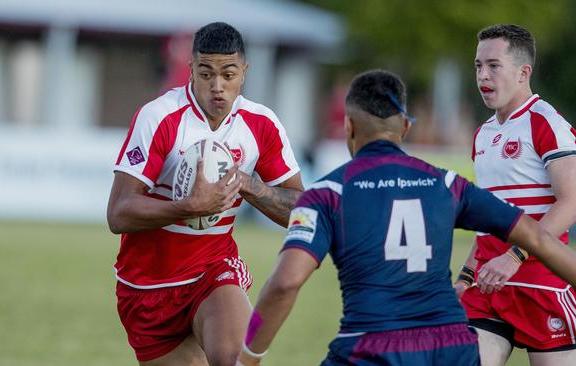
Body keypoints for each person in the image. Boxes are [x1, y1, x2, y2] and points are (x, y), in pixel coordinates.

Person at [236, 70, 576, 366]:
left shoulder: (326, 193)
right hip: (450, 350)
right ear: (406, 127)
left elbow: (285, 283)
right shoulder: (447, 184)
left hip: (367, 348)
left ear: (349, 126)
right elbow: (538, 239)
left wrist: (249, 355)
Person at [106, 22, 304, 366]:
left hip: (212, 270)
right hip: (148, 288)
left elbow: (303, 212)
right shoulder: (159, 118)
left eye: (228, 74)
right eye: (206, 73)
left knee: (234, 360)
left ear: (244, 72)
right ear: (191, 70)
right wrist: (187, 207)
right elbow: (119, 212)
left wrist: (248, 184)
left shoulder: (261, 124)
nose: (217, 87)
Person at [455, 24, 576, 366]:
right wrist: (465, 276)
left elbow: (572, 201)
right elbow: (488, 218)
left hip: (542, 285)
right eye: (478, 65)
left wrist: (514, 257)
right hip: (488, 287)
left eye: (494, 65)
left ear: (524, 72)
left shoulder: (546, 123)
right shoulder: (483, 135)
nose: (483, 75)